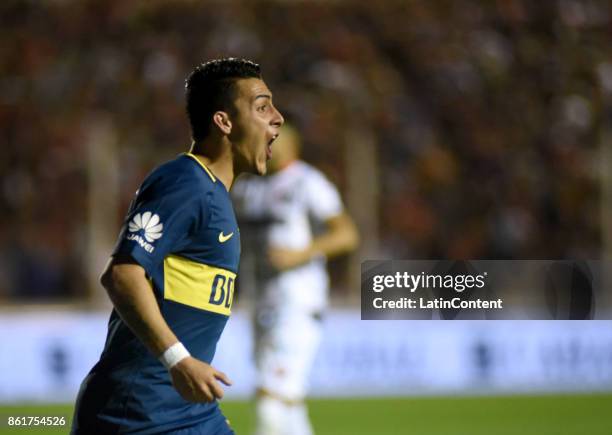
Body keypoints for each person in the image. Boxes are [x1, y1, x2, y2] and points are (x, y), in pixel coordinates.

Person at [71, 58, 284, 435]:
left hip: (190, 413)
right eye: (263, 106)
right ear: (224, 121)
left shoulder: (216, 196)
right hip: (137, 417)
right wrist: (179, 360)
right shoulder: (186, 181)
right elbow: (122, 275)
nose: (277, 118)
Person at [231, 124, 359, 435]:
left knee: (270, 399)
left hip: (297, 300)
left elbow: (346, 235)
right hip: (259, 299)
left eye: (270, 142)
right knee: (289, 403)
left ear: (290, 147)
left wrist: (300, 254)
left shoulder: (308, 183)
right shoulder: (247, 187)